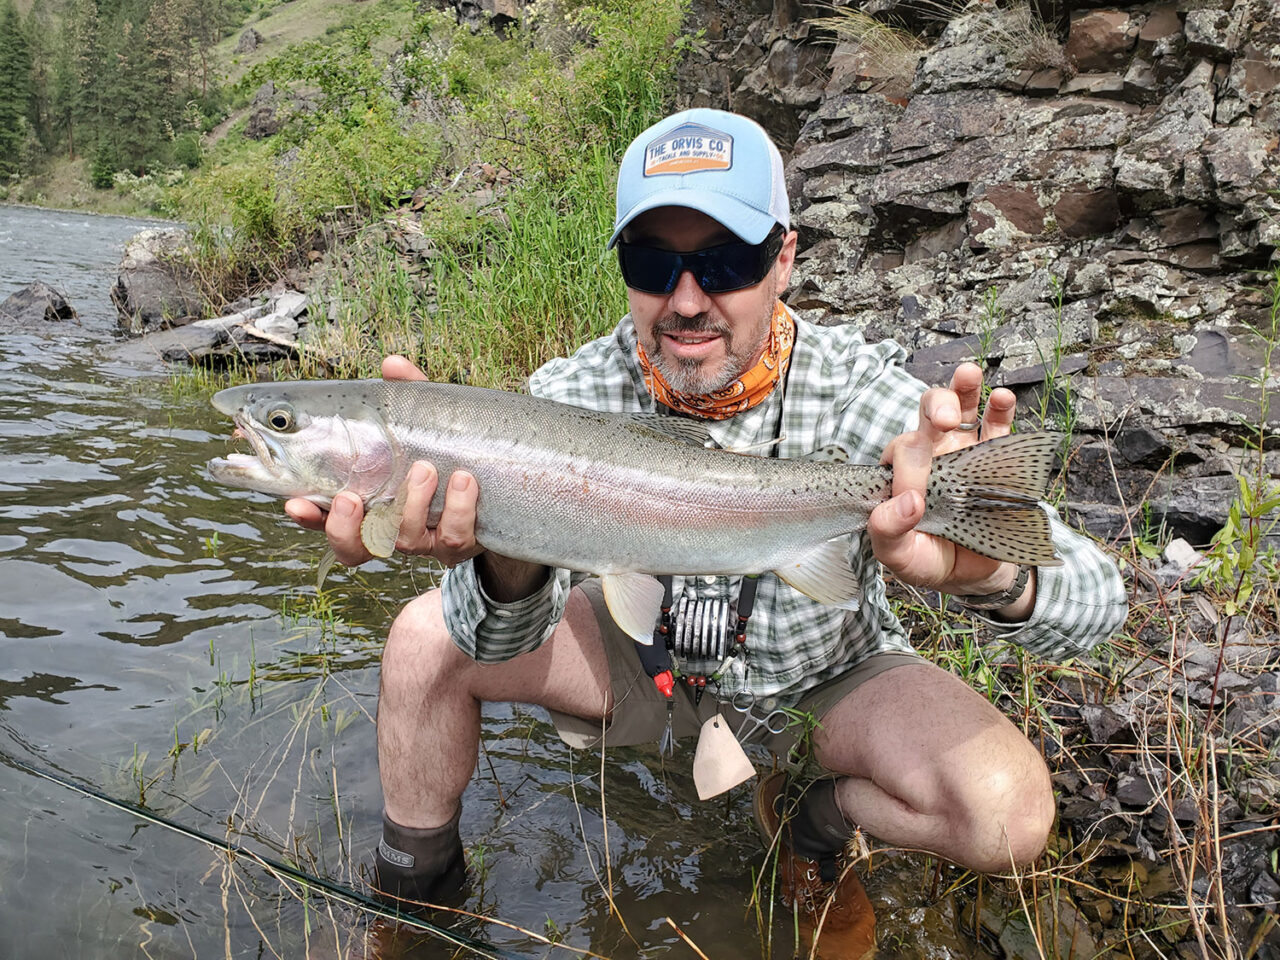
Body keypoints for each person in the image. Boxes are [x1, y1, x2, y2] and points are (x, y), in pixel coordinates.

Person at [286, 108, 1127, 956]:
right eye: (655, 263)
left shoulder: (858, 394)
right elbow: (491, 636)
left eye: (725, 262)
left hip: (816, 682)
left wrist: (985, 573)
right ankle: (416, 908)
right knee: (425, 640)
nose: (687, 300)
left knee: (1006, 815)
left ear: (784, 258)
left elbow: (1104, 602)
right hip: (636, 665)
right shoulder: (566, 395)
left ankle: (812, 824)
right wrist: (504, 556)